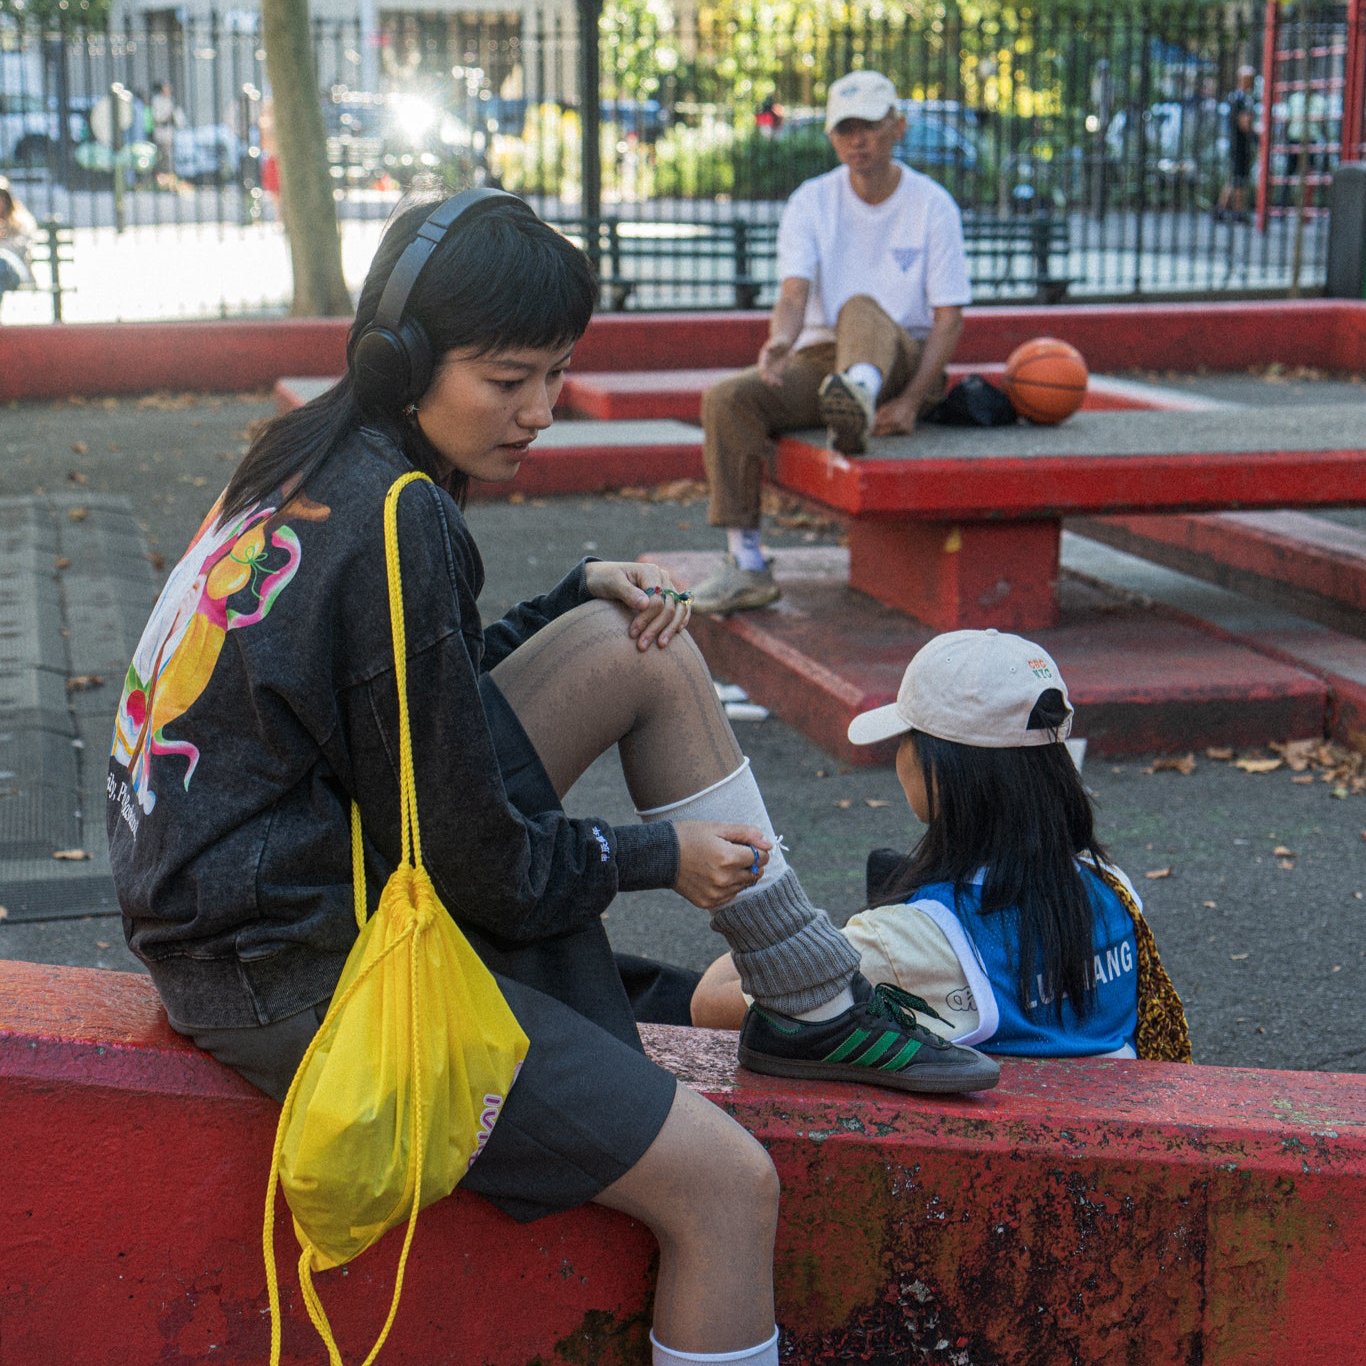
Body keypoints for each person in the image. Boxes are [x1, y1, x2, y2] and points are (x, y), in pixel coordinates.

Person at [106, 186, 997, 1366]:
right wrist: (657, 857)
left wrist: (567, 595)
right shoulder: (398, 514)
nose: (539, 409)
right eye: (506, 378)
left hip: (257, 901)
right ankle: (810, 993)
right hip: (296, 974)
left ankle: (808, 994)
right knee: (727, 1187)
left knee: (629, 641)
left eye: (556, 373)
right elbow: (486, 865)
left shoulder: (311, 460)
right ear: (400, 359)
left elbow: (403, 689)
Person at [694, 629, 1191, 1063]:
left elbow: (710, 1004)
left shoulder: (906, 944)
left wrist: (784, 914)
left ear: (941, 772)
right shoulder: (1114, 889)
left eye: (906, 737)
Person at [690, 70, 971, 616]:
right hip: (824, 358)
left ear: (898, 128)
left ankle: (857, 395)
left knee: (859, 307)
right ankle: (746, 562)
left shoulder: (931, 203)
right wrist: (780, 340)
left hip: (902, 359)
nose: (857, 140)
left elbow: (948, 318)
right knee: (727, 399)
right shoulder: (812, 200)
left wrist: (911, 401)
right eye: (845, 129)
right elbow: (794, 292)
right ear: (830, 136)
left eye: (869, 126)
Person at [1214, 65, 1256, 224]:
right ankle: (1237, 212)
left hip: (1234, 142)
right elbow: (1244, 123)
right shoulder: (1243, 99)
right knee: (1239, 178)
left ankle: (1221, 209)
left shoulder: (1233, 97)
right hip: (1240, 143)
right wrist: (1257, 132)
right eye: (1250, 79)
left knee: (1234, 178)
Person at [0, 179, 37, 316]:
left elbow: (20, 247)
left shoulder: (21, 220)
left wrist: (3, 240)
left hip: (15, 270)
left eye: (1, 197)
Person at [151, 80, 184, 188]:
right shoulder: (157, 100)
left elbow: (179, 117)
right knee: (161, 157)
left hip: (170, 133)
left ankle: (169, 180)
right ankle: (160, 180)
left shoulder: (171, 100)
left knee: (170, 157)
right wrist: (167, 116)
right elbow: (157, 117)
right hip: (160, 132)